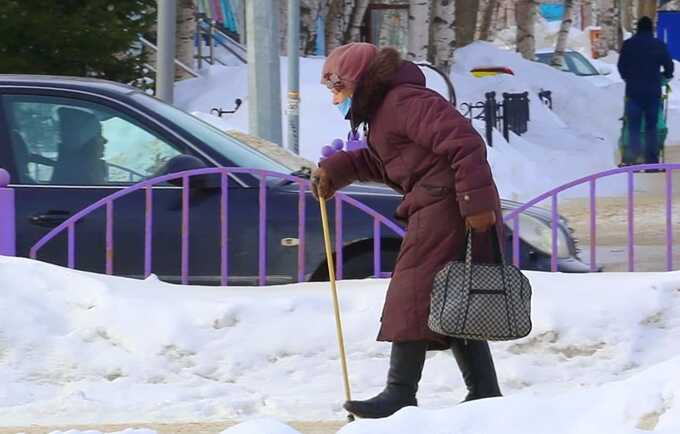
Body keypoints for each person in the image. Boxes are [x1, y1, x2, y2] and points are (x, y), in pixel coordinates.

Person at [311, 42, 503, 419]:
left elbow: (464, 143)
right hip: (439, 203)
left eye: (338, 90)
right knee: (451, 296)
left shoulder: (405, 102)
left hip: (451, 205)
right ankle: (484, 391)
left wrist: (476, 204)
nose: (335, 101)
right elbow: (386, 161)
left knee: (412, 292)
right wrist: (337, 170)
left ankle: (400, 394)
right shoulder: (385, 112)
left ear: (360, 82)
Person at [617, 16, 674, 165]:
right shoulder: (658, 45)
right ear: (651, 29)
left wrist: (628, 78)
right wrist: (666, 76)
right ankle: (652, 161)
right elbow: (669, 66)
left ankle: (633, 159)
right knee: (651, 127)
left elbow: (621, 65)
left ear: (638, 28)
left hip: (633, 92)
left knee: (633, 126)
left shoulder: (628, 44)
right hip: (652, 93)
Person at [52, 108, 108, 185]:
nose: (105, 141)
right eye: (98, 135)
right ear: (86, 144)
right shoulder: (89, 174)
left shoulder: (65, 170)